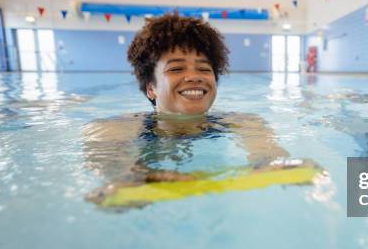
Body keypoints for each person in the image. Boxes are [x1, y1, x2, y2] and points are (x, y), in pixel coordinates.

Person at [83, 13, 322, 208]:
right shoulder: (117, 127)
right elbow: (111, 163)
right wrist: (136, 176)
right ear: (151, 88)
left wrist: (275, 164)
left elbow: (267, 155)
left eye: (205, 69)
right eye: (176, 69)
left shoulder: (245, 122)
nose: (194, 77)